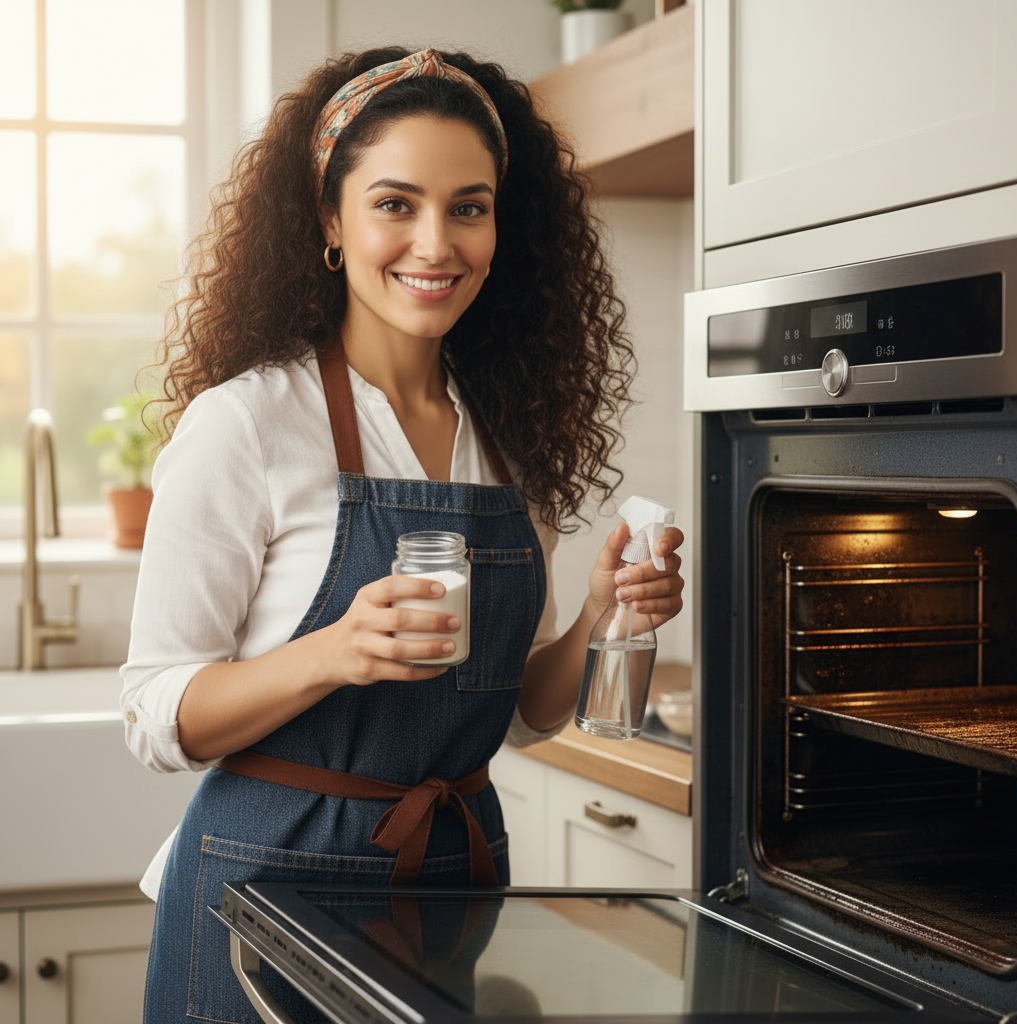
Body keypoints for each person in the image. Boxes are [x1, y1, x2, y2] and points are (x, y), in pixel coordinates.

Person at [121, 46, 685, 1023]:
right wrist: (333, 653)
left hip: (445, 885)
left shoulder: (508, 441)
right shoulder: (249, 423)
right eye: (395, 203)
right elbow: (155, 714)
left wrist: (598, 612)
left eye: (468, 206)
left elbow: (513, 712)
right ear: (331, 221)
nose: (436, 242)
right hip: (259, 890)